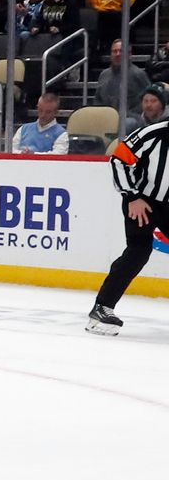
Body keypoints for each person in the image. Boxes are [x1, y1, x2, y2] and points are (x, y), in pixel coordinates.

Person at [87, 119, 169, 336]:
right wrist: (132, 196)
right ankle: (102, 307)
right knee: (139, 251)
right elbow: (118, 160)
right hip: (142, 201)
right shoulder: (153, 134)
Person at [94, 39, 151, 129]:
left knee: (124, 125)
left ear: (129, 54)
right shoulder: (104, 75)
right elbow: (97, 99)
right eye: (114, 51)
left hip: (131, 118)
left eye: (121, 51)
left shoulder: (138, 74)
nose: (118, 54)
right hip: (106, 117)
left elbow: (149, 98)